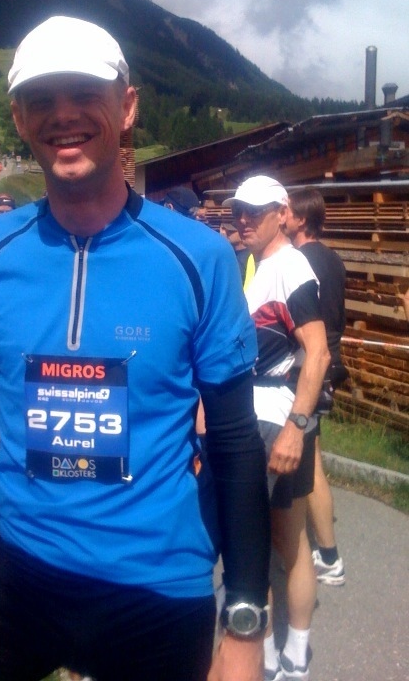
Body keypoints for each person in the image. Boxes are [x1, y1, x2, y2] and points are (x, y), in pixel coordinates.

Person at [0, 16, 270, 681]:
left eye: (84, 93)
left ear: (127, 107)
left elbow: (236, 446)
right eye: (41, 99)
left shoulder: (199, 258)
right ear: (19, 118)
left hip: (157, 594)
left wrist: (245, 625)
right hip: (22, 578)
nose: (63, 115)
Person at [224, 175, 330, 681]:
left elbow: (318, 352)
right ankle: (284, 655)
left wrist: (296, 427)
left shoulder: (290, 266)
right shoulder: (261, 266)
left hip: (274, 419)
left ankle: (277, 658)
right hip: (262, 415)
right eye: (237, 211)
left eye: (254, 211)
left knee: (264, 543)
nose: (242, 220)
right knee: (282, 543)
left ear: (281, 213)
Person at [285, 188, 347, 586]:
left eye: (287, 212)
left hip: (309, 365)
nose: (282, 217)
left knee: (310, 464)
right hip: (329, 359)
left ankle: (327, 556)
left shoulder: (300, 260)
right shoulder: (333, 258)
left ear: (302, 219)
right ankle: (323, 551)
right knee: (313, 459)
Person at [219, 221, 255, 290]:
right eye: (227, 231)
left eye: (231, 232)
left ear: (242, 233)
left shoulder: (249, 256)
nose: (227, 234)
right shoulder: (229, 254)